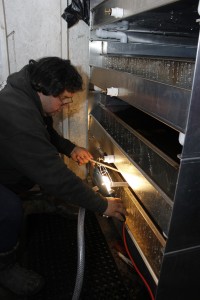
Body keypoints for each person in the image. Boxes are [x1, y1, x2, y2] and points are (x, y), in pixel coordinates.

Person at [0, 57, 126, 296]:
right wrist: (103, 205)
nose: (65, 105)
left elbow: (45, 133)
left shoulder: (26, 92)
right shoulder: (18, 115)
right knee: (8, 209)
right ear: (45, 90)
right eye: (63, 98)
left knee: (38, 174)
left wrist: (70, 148)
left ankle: (45, 201)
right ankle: (4, 266)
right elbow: (55, 176)